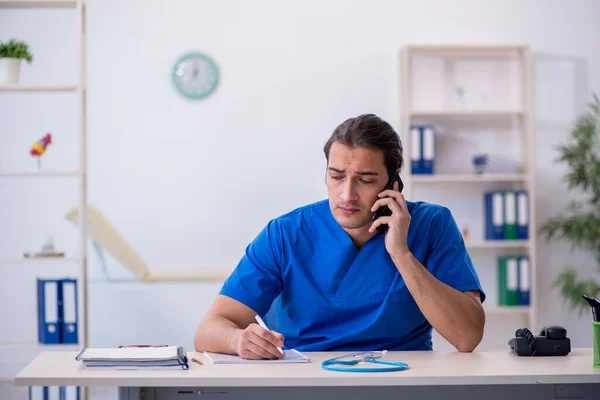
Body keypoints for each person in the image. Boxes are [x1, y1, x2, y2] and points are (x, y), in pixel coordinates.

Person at [194, 114, 486, 359]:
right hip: (307, 381)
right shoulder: (285, 234)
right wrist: (237, 341)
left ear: (393, 182)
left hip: (401, 381)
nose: (347, 194)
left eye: (366, 180)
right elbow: (209, 329)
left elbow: (467, 337)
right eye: (336, 177)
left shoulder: (431, 225)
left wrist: (402, 254)